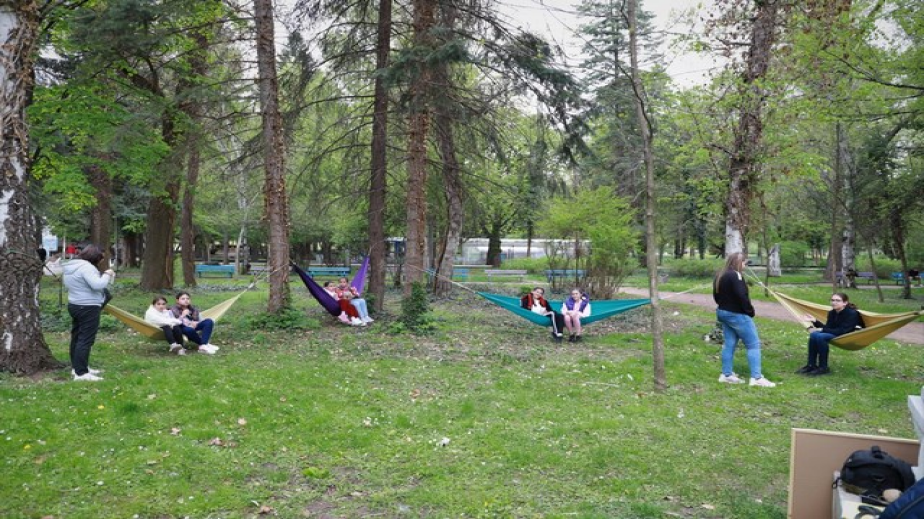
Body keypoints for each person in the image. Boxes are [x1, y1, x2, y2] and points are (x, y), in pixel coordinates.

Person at [713, 252, 776, 387]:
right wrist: (749, 311)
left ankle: (726, 375)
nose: (745, 266)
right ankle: (756, 378)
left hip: (723, 312)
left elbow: (716, 295)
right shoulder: (736, 275)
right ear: (738, 262)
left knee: (729, 344)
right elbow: (742, 295)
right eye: (744, 263)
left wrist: (724, 306)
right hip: (736, 314)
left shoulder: (720, 274)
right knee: (753, 344)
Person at [62, 244, 114, 381]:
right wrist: (107, 274)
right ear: (94, 257)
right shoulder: (87, 267)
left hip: (75, 304)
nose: (101, 261)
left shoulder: (71, 266)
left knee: (77, 338)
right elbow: (98, 285)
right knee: (85, 340)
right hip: (88, 307)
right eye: (101, 258)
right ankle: (81, 374)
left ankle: (77, 368)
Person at [796, 292, 863, 376]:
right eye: (832, 300)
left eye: (837, 300)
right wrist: (814, 320)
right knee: (814, 334)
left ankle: (823, 368)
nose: (834, 302)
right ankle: (811, 365)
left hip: (846, 336)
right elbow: (828, 328)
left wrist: (822, 329)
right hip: (835, 333)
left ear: (845, 303)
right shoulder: (832, 312)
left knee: (820, 336)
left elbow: (843, 331)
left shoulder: (852, 313)